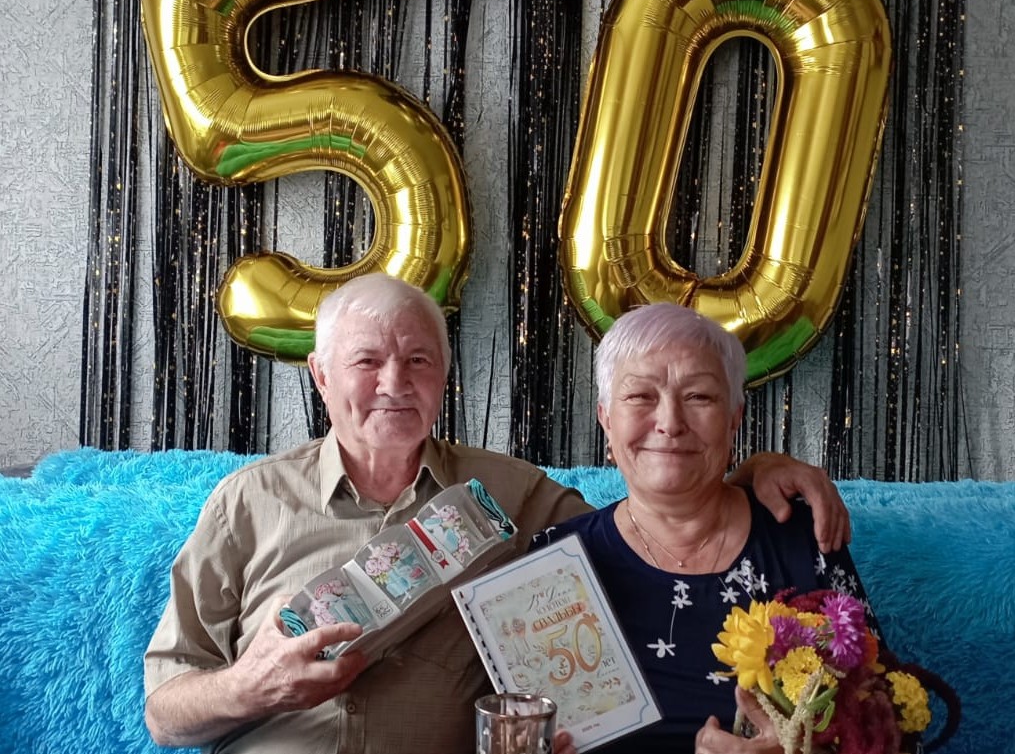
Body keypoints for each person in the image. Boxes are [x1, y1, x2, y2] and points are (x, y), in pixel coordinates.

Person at [144, 274, 851, 754]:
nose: (394, 382)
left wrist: (747, 473)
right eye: (366, 361)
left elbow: (658, 508)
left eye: (418, 360)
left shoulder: (509, 494)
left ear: (442, 378)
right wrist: (248, 687)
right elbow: (163, 712)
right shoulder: (247, 502)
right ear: (321, 375)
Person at [531, 303, 877, 754]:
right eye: (640, 396)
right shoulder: (553, 563)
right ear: (606, 419)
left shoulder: (801, 538)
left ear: (734, 419)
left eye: (699, 397)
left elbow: (886, 725)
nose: (670, 423)